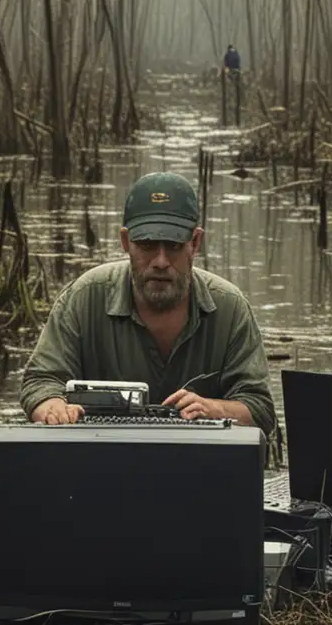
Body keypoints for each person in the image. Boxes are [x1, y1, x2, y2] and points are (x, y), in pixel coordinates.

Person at [20, 170, 275, 432]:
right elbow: (41, 380)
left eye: (174, 246)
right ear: (125, 241)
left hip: (199, 464)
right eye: (147, 245)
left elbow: (260, 409)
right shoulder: (84, 297)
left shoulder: (230, 308)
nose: (161, 262)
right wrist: (53, 407)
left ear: (195, 243)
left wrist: (214, 409)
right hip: (101, 459)